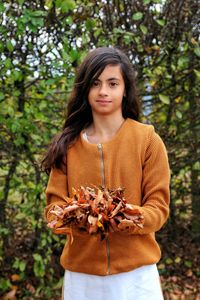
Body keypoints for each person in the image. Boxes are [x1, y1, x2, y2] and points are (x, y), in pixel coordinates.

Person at [41, 47, 170, 300]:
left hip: (136, 277)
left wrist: (126, 216)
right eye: (95, 83)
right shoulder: (67, 146)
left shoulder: (147, 140)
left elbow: (159, 208)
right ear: (85, 90)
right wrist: (78, 217)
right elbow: (52, 210)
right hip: (82, 277)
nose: (103, 91)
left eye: (112, 83)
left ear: (125, 90)